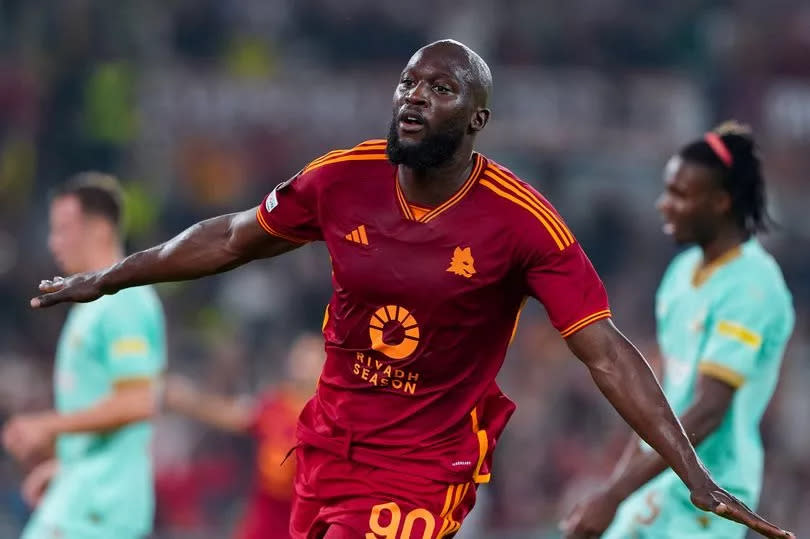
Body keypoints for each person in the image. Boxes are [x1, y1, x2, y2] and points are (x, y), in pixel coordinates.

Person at [29, 41, 793, 539]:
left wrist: (696, 473)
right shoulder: (340, 179)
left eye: (441, 87)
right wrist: (110, 276)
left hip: (424, 467)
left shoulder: (523, 223)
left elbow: (605, 353)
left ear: (477, 119)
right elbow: (230, 238)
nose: (414, 95)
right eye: (408, 81)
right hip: (327, 445)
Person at [561, 122, 795, 539]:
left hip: (715, 492)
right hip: (661, 480)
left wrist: (614, 493)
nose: (662, 205)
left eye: (679, 194)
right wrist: (615, 487)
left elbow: (707, 411)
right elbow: (662, 401)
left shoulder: (753, 284)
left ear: (721, 202)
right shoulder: (681, 274)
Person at [4, 173, 166, 539]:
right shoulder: (92, 302)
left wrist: (47, 426)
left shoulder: (123, 300)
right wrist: (65, 464)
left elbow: (139, 401)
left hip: (100, 506)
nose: (53, 241)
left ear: (100, 229)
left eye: (63, 228)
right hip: (83, 493)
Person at [163, 333, 325, 539]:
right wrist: (188, 401)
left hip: (309, 520)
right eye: (301, 354)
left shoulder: (332, 416)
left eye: (312, 356)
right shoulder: (273, 405)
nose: (304, 362)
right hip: (266, 517)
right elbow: (232, 414)